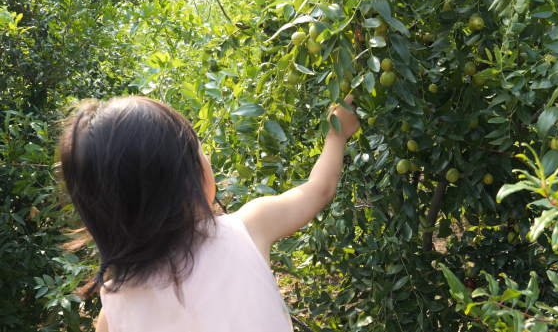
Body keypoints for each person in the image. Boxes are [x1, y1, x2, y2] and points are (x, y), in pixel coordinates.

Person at [58, 94, 360, 331]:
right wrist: (337, 134)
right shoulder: (248, 228)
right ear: (190, 181)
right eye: (198, 147)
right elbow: (318, 189)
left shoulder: (113, 312)